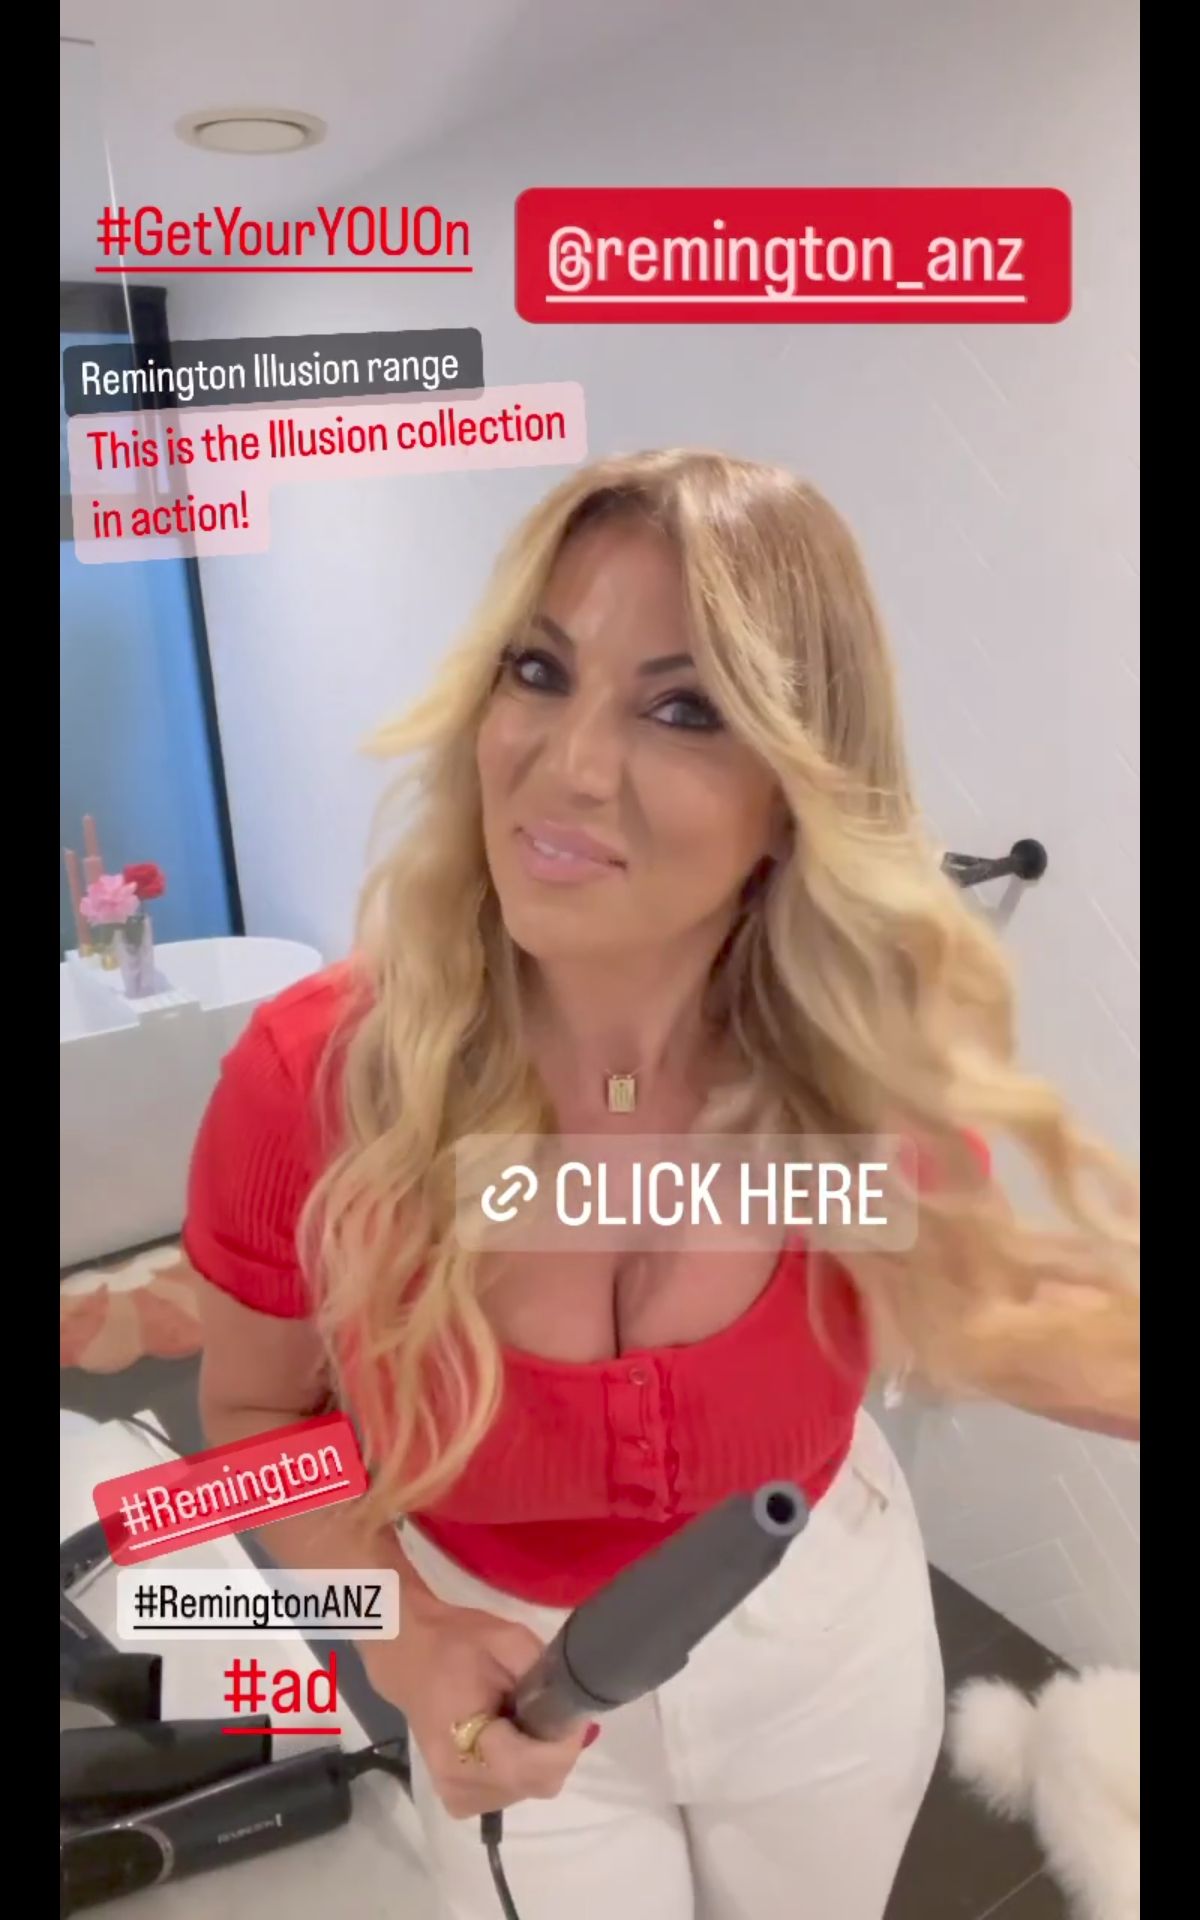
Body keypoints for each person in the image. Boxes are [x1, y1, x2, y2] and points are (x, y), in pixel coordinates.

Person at [184, 450, 1139, 1920]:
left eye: (685, 709)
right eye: (538, 671)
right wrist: (402, 1634)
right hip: (507, 1673)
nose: (567, 765)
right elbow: (252, 1422)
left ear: (794, 796)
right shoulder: (318, 1081)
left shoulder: (843, 1081)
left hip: (821, 1641)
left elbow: (996, 1316)